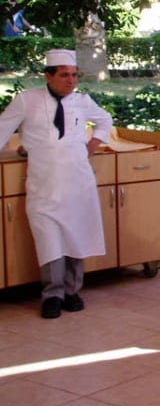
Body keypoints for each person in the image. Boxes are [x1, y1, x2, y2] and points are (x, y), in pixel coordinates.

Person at [0, 49, 112, 318]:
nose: (71, 80)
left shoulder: (82, 101)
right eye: (64, 75)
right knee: (48, 240)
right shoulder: (27, 100)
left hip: (78, 182)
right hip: (44, 185)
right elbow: (2, 128)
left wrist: (92, 145)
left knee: (76, 237)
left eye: (74, 75)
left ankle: (72, 291)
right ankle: (52, 295)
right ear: (48, 76)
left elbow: (104, 120)